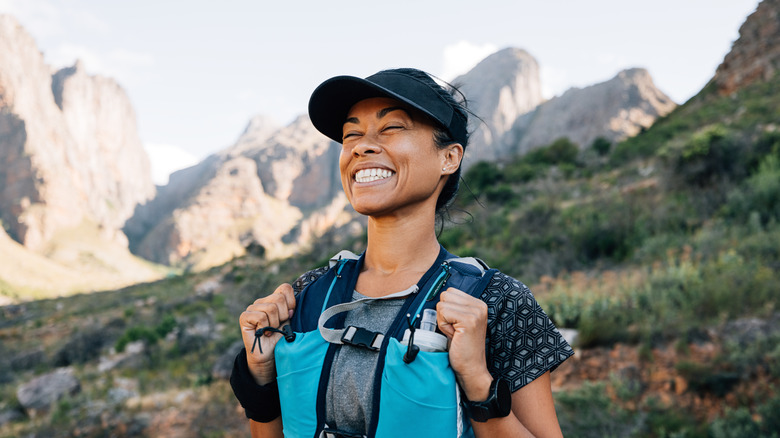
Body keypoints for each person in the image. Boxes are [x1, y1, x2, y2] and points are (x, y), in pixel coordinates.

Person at [230, 68, 574, 438]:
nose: (362, 146)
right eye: (351, 135)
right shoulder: (308, 294)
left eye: (392, 128)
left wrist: (477, 380)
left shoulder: (499, 302)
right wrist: (259, 375)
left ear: (450, 158)